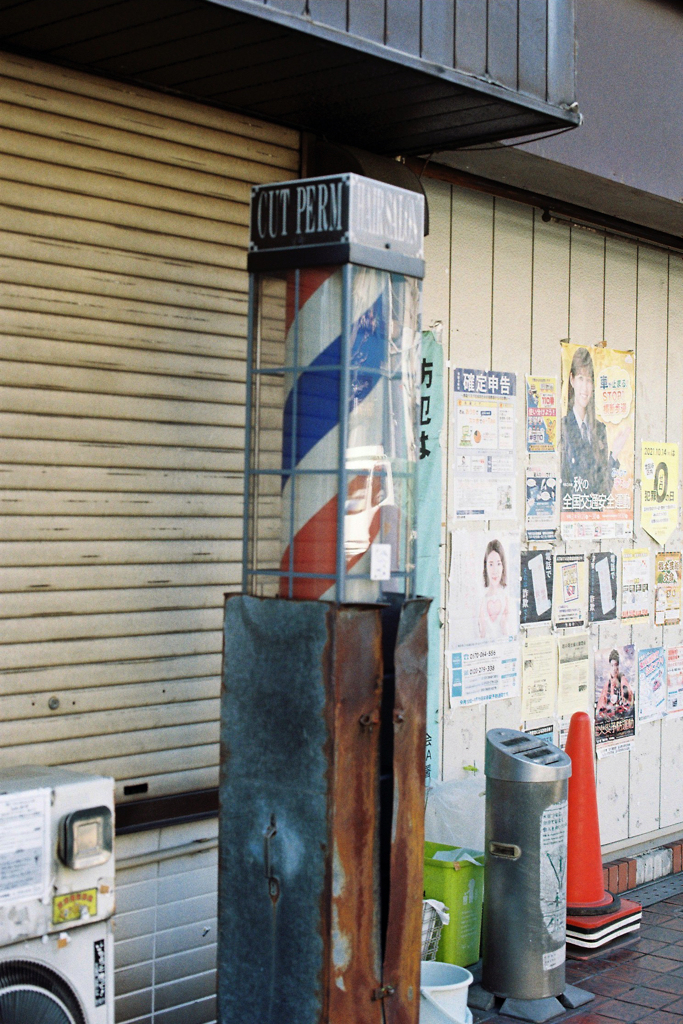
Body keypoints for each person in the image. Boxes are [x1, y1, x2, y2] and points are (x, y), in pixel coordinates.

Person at [561, 347, 619, 506]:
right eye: (580, 378)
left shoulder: (599, 430)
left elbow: (604, 493)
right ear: (572, 380)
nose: (585, 388)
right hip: (570, 519)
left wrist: (614, 457)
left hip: (594, 522)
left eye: (589, 380)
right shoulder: (563, 426)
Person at [478, 539, 511, 640]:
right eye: (491, 564)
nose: (495, 570)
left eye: (498, 564)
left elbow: (512, 637)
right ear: (486, 567)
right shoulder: (481, 599)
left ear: (503, 566)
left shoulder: (507, 599)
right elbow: (479, 636)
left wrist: (504, 625)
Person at [596, 649, 633, 716]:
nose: (614, 668)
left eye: (616, 665)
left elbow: (629, 701)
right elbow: (601, 705)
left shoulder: (623, 681)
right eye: (612, 665)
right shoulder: (607, 684)